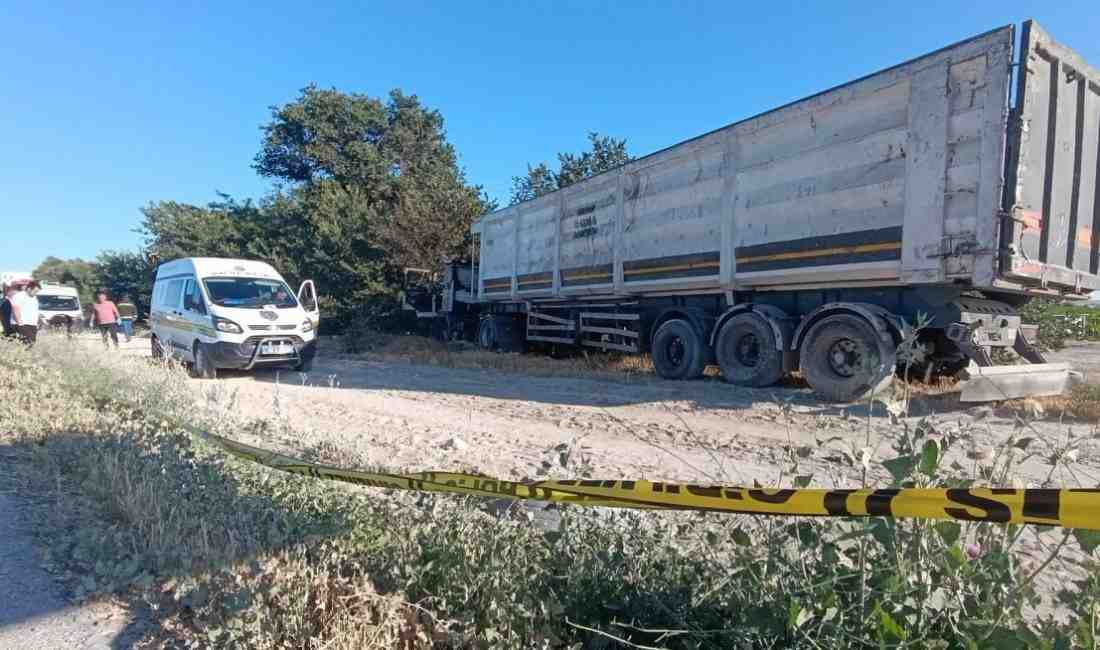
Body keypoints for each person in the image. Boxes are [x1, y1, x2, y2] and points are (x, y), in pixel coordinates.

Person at [11, 281, 41, 346]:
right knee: (25, 344)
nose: (36, 293)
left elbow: (34, 310)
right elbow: (15, 308)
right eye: (35, 291)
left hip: (32, 324)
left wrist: (37, 322)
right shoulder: (20, 296)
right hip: (22, 324)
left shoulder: (34, 298)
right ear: (29, 289)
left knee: (32, 343)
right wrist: (20, 323)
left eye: (37, 292)